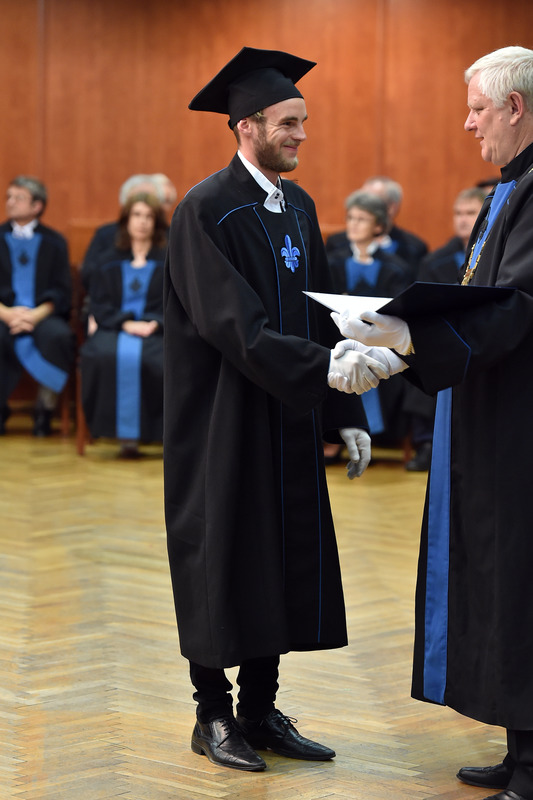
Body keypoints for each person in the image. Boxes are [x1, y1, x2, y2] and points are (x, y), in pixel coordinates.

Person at [163, 46, 399, 773]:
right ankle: (212, 713)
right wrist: (322, 371)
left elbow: (325, 315)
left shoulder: (299, 206)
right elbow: (232, 325)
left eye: (303, 121)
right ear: (248, 126)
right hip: (222, 418)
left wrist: (346, 413)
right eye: (289, 122)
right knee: (221, 555)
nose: (301, 134)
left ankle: (260, 711)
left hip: (289, 409)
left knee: (276, 555)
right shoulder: (205, 209)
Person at [329, 45, 533, 800]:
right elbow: (478, 295)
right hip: (490, 410)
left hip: (519, 421)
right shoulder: (510, 187)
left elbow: (515, 307)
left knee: (519, 575)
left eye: (478, 109)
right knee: (498, 572)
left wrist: (408, 339)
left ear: (515, 107)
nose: (468, 123)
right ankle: (519, 747)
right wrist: (401, 346)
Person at [403, 186, 487, 471]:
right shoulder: (434, 260)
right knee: (420, 357)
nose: (463, 219)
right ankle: (426, 442)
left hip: (480, 333)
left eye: (470, 213)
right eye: (458, 213)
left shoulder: (495, 256)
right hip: (442, 332)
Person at [80, 193, 166, 457]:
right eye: (136, 215)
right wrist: (126, 324)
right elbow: (99, 304)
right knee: (100, 355)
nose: (142, 222)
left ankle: (155, 433)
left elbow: (177, 302)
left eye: (149, 216)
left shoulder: (169, 259)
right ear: (126, 220)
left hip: (156, 330)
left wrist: (154, 323)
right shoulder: (107, 260)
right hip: (114, 328)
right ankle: (117, 433)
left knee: (160, 360)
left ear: (157, 223)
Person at [327, 190, 411, 447]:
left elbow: (398, 308)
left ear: (378, 226)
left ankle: (375, 432)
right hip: (336, 335)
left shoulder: (396, 266)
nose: (353, 224)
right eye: (350, 218)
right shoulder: (332, 261)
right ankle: (335, 433)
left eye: (362, 219)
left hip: (380, 339)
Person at [0, 175, 74, 436]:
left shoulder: (55, 242)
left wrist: (34, 315)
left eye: (18, 198)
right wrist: (7, 314)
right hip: (3, 313)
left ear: (37, 206)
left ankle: (45, 409)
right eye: (8, 197)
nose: (10, 202)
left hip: (43, 315)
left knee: (59, 337)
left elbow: (62, 290)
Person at [80, 173, 175, 291]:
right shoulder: (106, 237)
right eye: (137, 213)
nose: (142, 221)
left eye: (149, 202)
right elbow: (90, 275)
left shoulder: (170, 238)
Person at [326, 176, 428, 283]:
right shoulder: (336, 244)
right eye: (350, 217)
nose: (362, 205)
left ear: (391, 208)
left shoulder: (412, 249)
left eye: (371, 202)